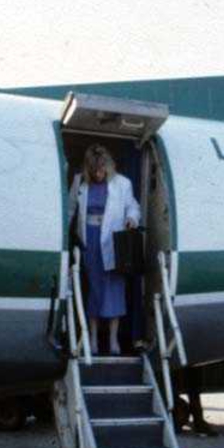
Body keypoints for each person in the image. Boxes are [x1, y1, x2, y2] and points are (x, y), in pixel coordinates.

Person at [72, 144, 140, 355]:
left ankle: (113, 340)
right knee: (94, 289)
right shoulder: (80, 182)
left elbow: (133, 206)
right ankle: (92, 339)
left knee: (114, 289)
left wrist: (131, 218)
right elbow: (70, 209)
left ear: (108, 166)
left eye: (101, 170)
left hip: (112, 241)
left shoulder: (122, 183)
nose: (98, 175)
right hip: (90, 240)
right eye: (94, 171)